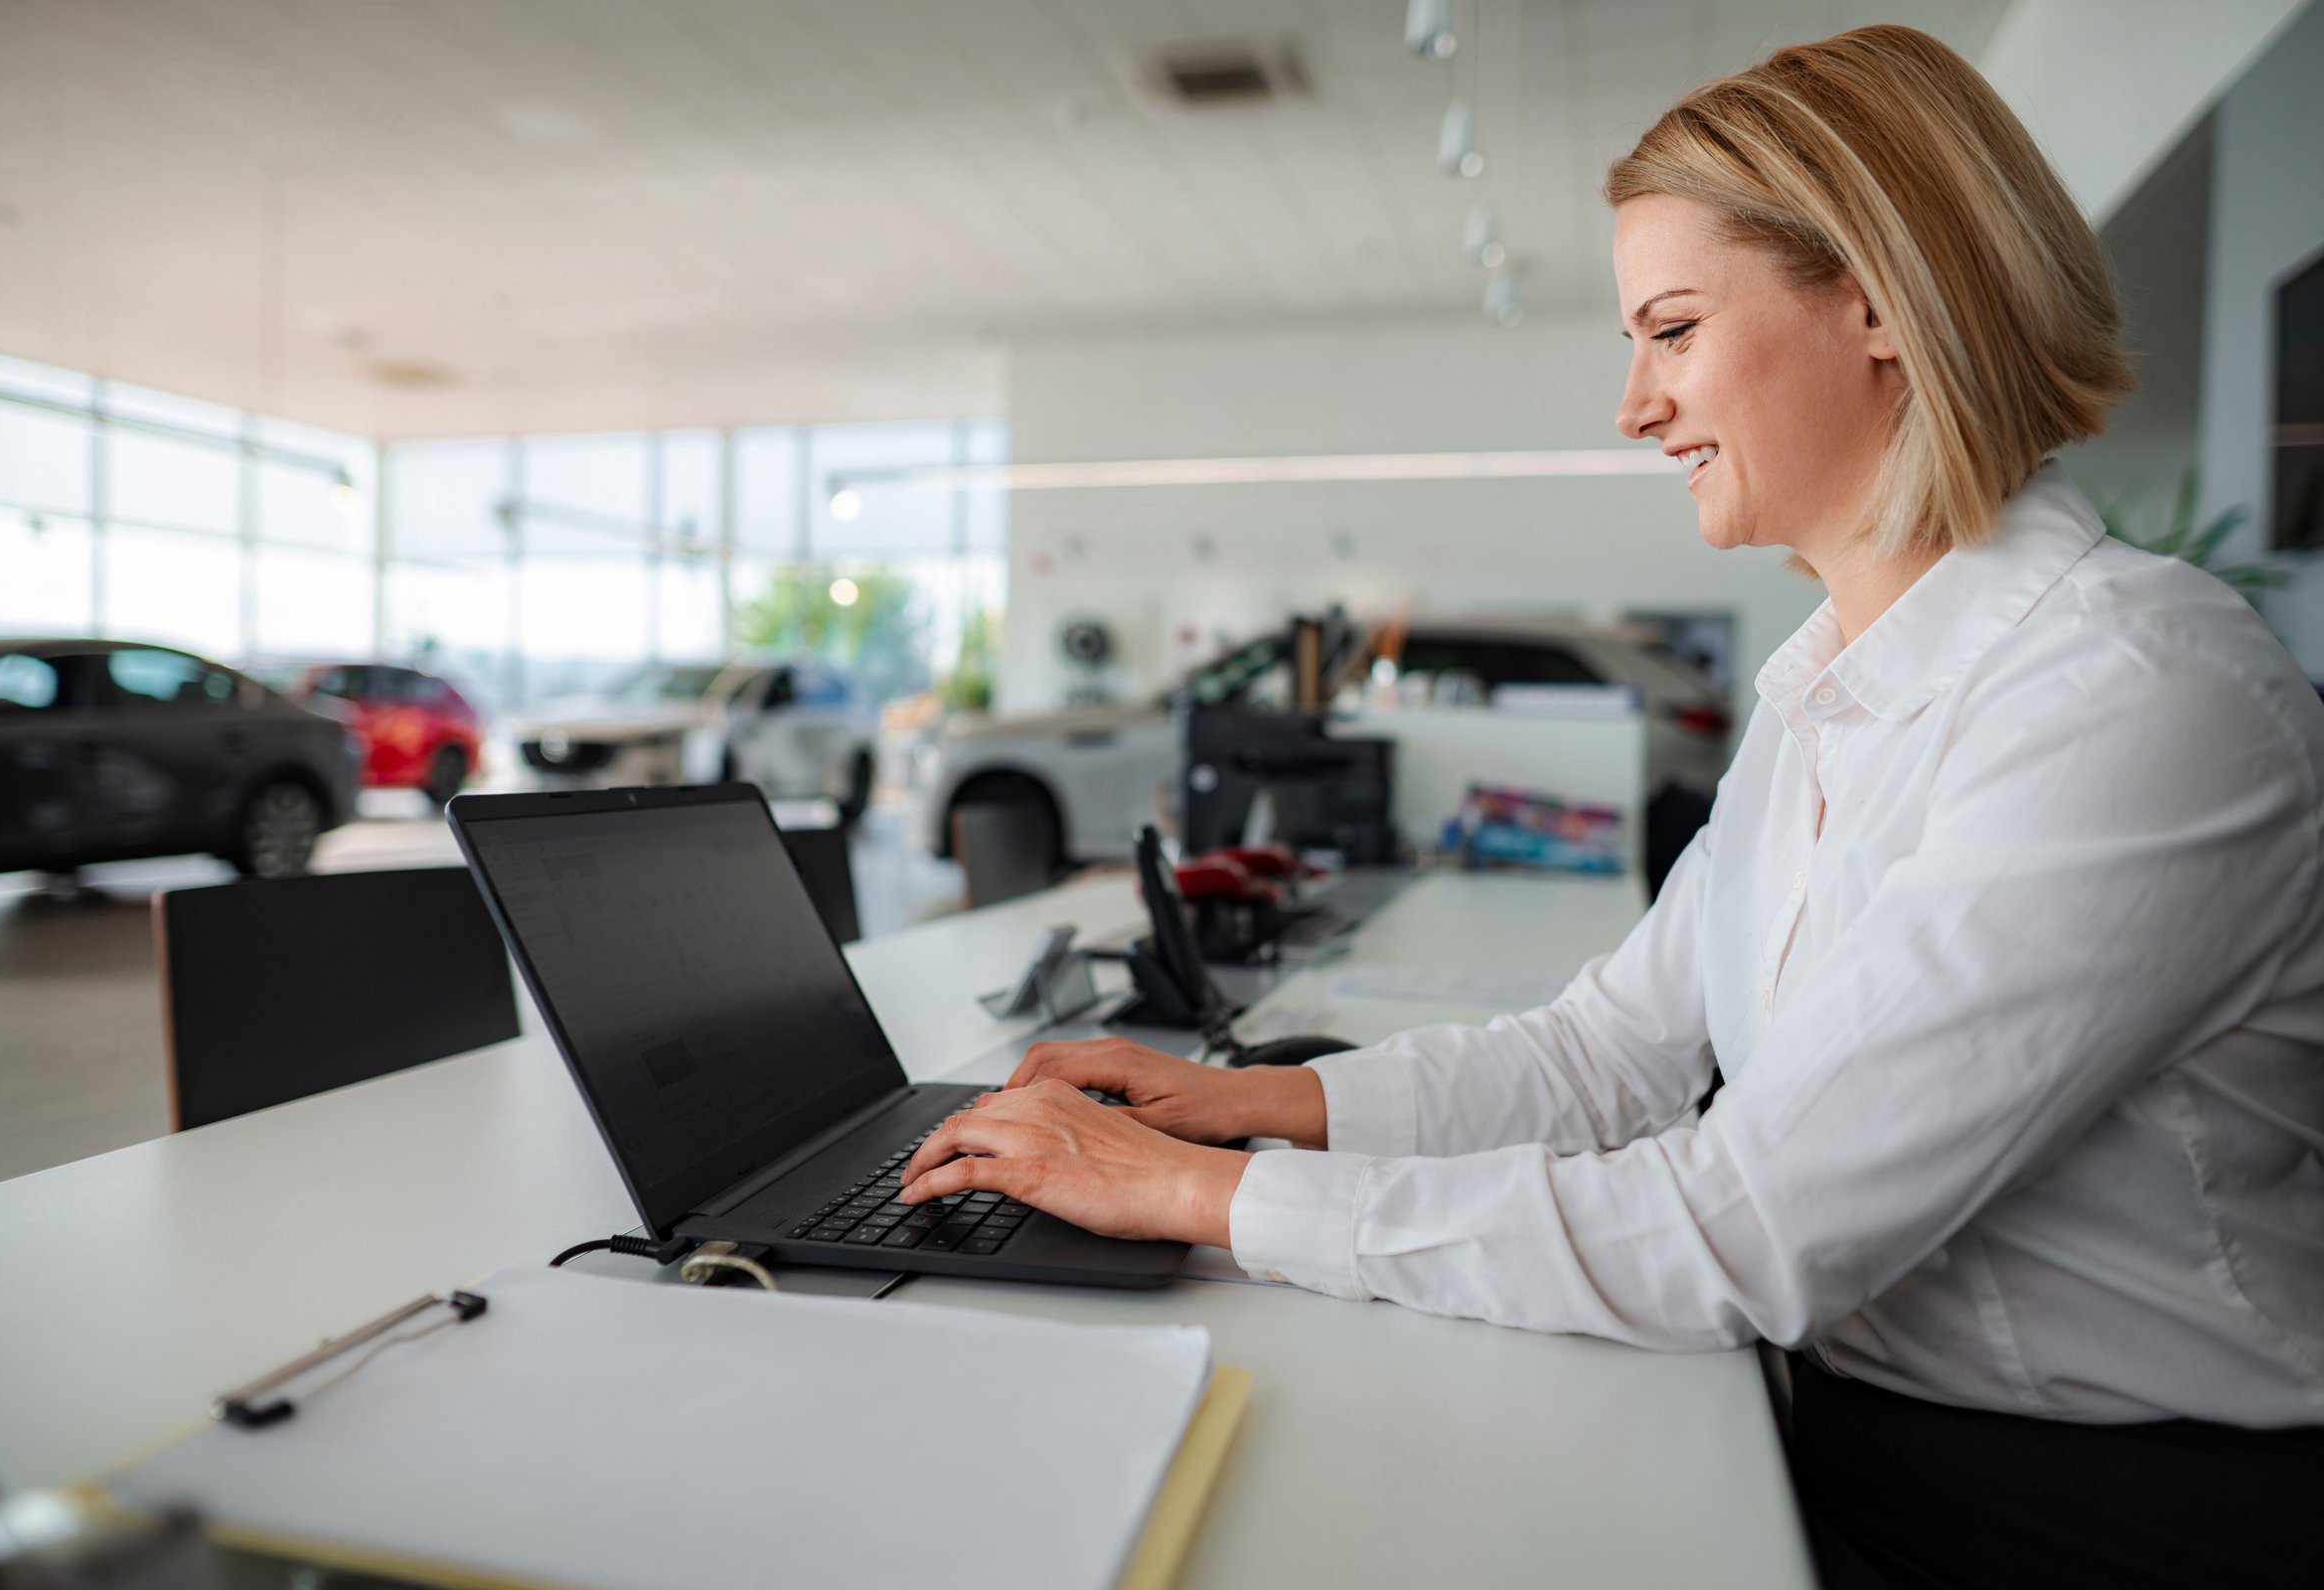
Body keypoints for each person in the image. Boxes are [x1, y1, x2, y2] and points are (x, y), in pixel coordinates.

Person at [901, 24, 2324, 1587]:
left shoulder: (2128, 694)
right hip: (1863, 1425)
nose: (1636, 407)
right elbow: (1609, 1055)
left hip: (2107, 1512)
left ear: (1877, 301)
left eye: (1672, 329)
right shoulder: (1827, 695)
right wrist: (1255, 1106)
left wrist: (1200, 1197)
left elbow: (1745, 1228)